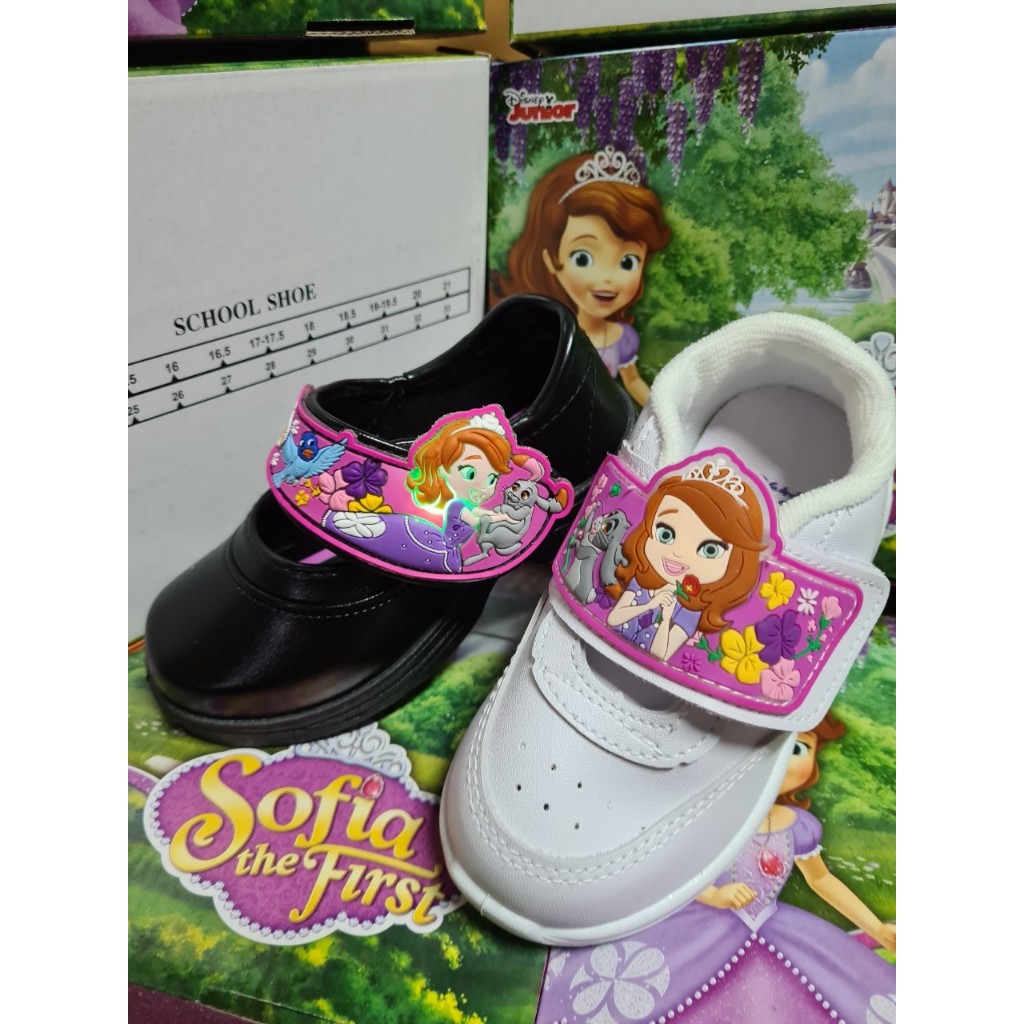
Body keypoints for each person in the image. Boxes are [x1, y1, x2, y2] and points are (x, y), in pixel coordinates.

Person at [537, 712, 896, 1024]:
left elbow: (821, 879)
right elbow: (676, 864)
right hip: (703, 927)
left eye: (800, 748)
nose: (783, 760)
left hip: (775, 929)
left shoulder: (799, 826)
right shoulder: (716, 811)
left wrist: (876, 927)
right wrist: (712, 895)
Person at [490, 148, 670, 406]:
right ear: (551, 259)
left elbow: (632, 382)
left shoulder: (622, 338)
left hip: (601, 419)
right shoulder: (552, 335)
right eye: (583, 258)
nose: (607, 278)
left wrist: (661, 411)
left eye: (628, 262)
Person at [606, 466, 766, 663]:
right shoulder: (640, 584)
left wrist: (666, 619)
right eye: (665, 534)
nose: (678, 554)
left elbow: (662, 654)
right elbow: (613, 619)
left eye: (710, 549)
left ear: (738, 560)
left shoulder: (689, 612)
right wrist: (649, 605)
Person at [326, 413, 519, 573]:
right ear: (443, 469)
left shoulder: (467, 505)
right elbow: (477, 520)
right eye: (470, 473)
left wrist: (502, 516)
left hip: (447, 549)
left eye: (492, 479)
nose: (483, 487)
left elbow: (483, 513)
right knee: (375, 531)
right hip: (437, 545)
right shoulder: (457, 505)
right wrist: (499, 522)